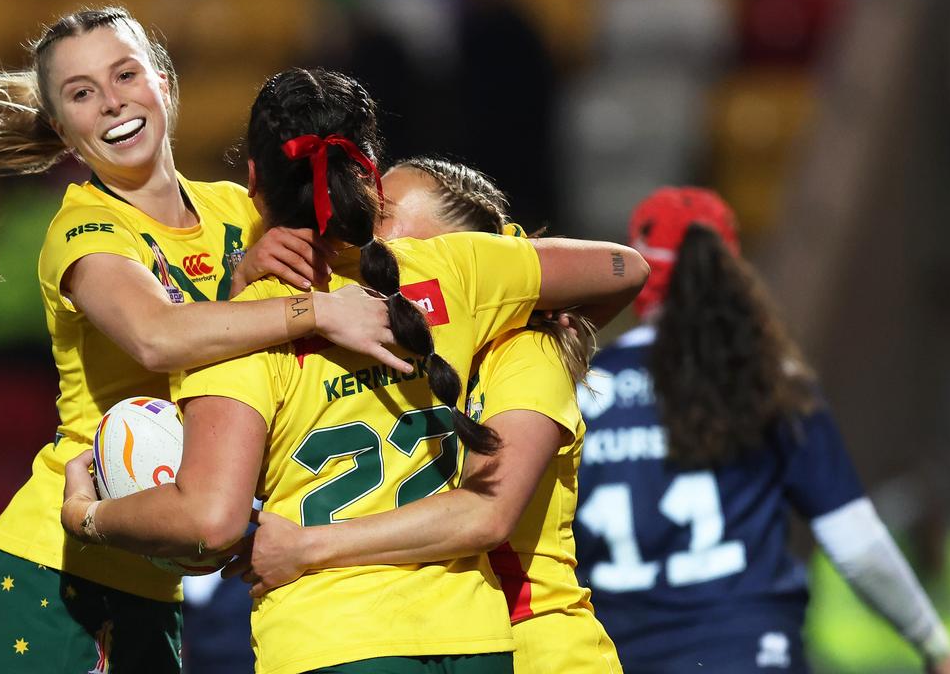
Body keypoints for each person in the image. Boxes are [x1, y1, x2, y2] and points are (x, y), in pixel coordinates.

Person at [59, 67, 648, 674]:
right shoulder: (461, 273)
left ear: (254, 182)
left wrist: (88, 516)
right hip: (473, 635)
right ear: (364, 174)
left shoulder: (235, 331)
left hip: (332, 641)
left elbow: (211, 520)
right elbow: (624, 268)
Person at [0, 8, 412, 674]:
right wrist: (313, 311)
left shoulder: (238, 210)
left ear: (162, 83)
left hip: (159, 571)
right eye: (81, 93)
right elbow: (157, 338)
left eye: (124, 74)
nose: (111, 101)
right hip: (52, 568)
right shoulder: (84, 230)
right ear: (64, 129)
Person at [220, 157, 622, 674]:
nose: (364, 231)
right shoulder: (381, 354)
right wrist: (245, 286)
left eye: (383, 218)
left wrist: (304, 547)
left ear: (468, 250)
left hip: (540, 645)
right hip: (446, 640)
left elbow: (486, 514)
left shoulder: (526, 351)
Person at [571, 187, 950, 674]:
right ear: (731, 267)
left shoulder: (583, 389)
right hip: (748, 648)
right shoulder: (767, 378)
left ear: (638, 276)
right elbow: (856, 541)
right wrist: (934, 645)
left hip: (619, 654)